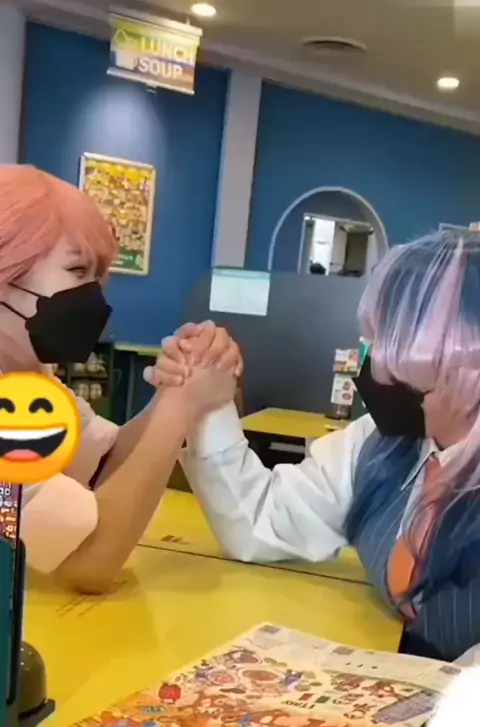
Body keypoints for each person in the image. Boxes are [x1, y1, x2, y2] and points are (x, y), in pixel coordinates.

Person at [154, 230, 480, 664]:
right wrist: (210, 403)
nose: (373, 361)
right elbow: (261, 521)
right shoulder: (378, 444)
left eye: (390, 341)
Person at [0, 165, 240, 594]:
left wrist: (177, 382)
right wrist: (180, 406)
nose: (94, 293)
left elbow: (103, 462)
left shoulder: (28, 376)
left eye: (98, 275)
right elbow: (86, 559)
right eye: (78, 271)